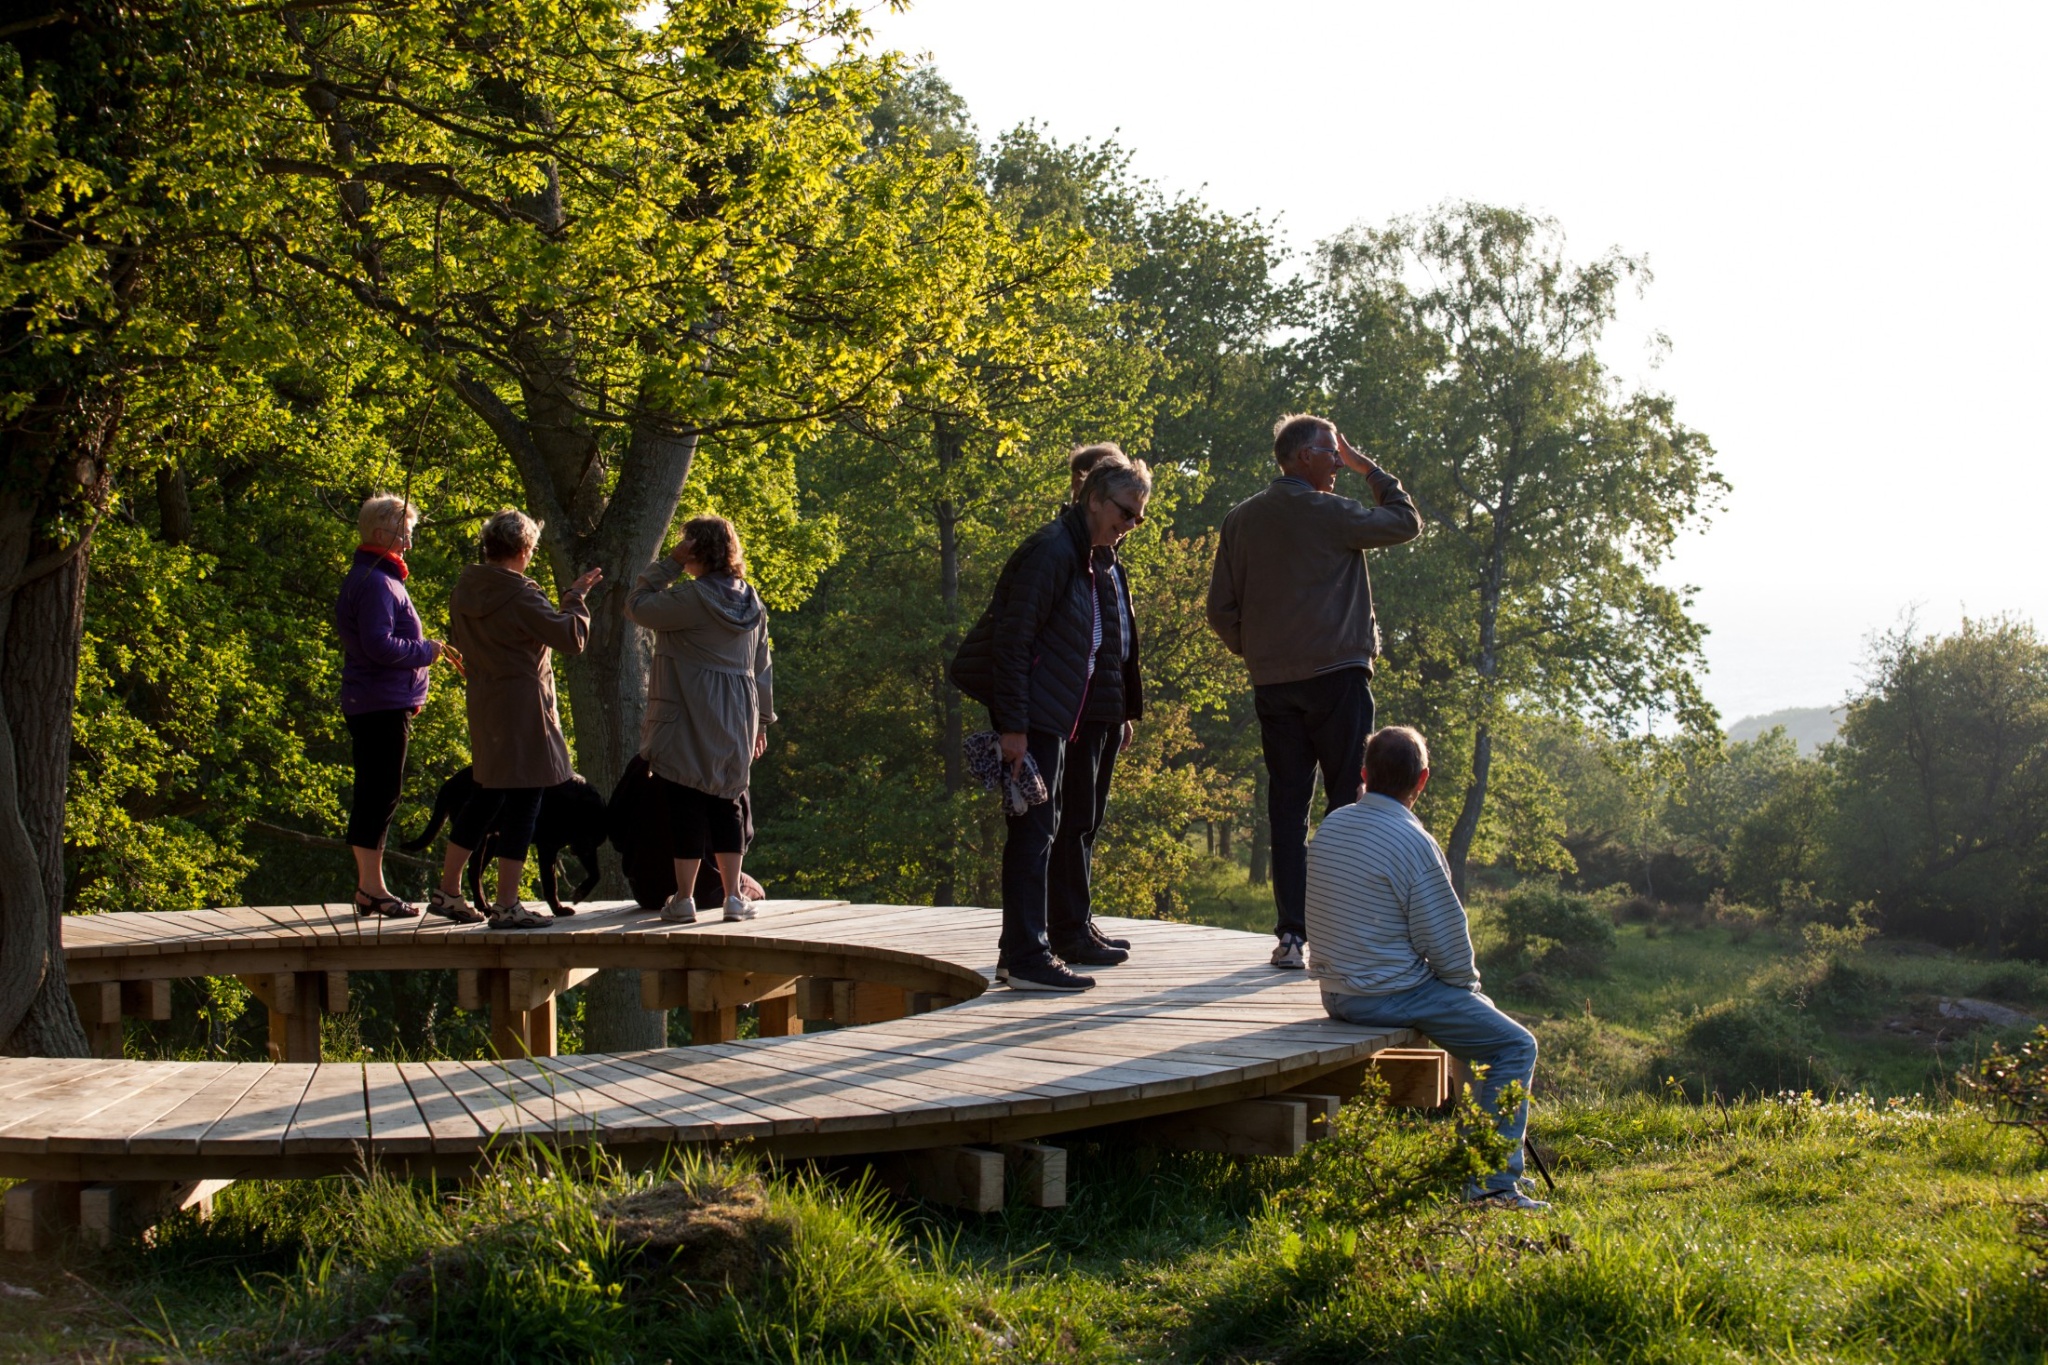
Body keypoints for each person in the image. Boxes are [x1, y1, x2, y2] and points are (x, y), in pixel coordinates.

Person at [1206, 413, 1421, 969]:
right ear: (1302, 457)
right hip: (1339, 678)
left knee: (1286, 807)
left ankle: (1292, 936)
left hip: (1274, 684)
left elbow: (1220, 610)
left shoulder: (1241, 520)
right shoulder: (1330, 513)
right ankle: (1344, 933)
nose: (1337, 461)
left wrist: (1257, 651)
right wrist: (1368, 465)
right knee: (1349, 806)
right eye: (1330, 452)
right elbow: (1405, 522)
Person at [1306, 726, 1544, 1211]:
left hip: (1335, 992)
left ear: (1364, 774)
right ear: (1424, 780)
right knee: (1515, 1044)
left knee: (1481, 1028)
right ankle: (1492, 1186)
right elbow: (1450, 948)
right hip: (1388, 994)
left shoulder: (1330, 826)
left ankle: (1482, 1159)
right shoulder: (1415, 844)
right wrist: (1468, 991)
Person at [951, 459, 1151, 992]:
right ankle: (1026, 957)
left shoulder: (1081, 553)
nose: (1129, 525)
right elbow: (1014, 640)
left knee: (1042, 830)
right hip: (1033, 717)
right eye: (1125, 512)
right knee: (1034, 832)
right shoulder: (1054, 550)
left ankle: (1020, 952)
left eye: (1137, 519)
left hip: (1051, 715)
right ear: (1093, 499)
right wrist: (1013, 727)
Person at [431, 509, 601, 929]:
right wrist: (575, 598)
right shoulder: (521, 594)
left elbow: (461, 641)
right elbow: (570, 639)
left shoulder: (465, 590)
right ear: (524, 549)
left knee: (485, 796)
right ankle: (507, 905)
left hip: (486, 704)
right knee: (525, 803)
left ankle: (448, 890)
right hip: (524, 709)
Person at [626, 515, 775, 924]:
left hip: (689, 709)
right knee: (727, 801)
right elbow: (763, 665)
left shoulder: (690, 600)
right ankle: (732, 897)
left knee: (686, 800)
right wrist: (761, 721)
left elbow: (636, 605)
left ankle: (685, 898)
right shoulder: (751, 600)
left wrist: (670, 564)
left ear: (695, 549)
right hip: (737, 713)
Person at [335, 494, 463, 919]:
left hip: (379, 701)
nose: (408, 544)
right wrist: (427, 651)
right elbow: (378, 645)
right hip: (379, 703)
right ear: (379, 534)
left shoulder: (374, 576)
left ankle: (370, 888)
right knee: (379, 794)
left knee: (377, 792)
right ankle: (371, 889)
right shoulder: (375, 581)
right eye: (403, 535)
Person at [1050, 442, 1142, 960]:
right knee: (1074, 818)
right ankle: (1068, 928)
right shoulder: (1074, 555)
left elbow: (1119, 641)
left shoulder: (1109, 559)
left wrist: (1125, 709)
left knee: (1089, 820)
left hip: (1105, 707)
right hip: (1080, 707)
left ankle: (1079, 920)